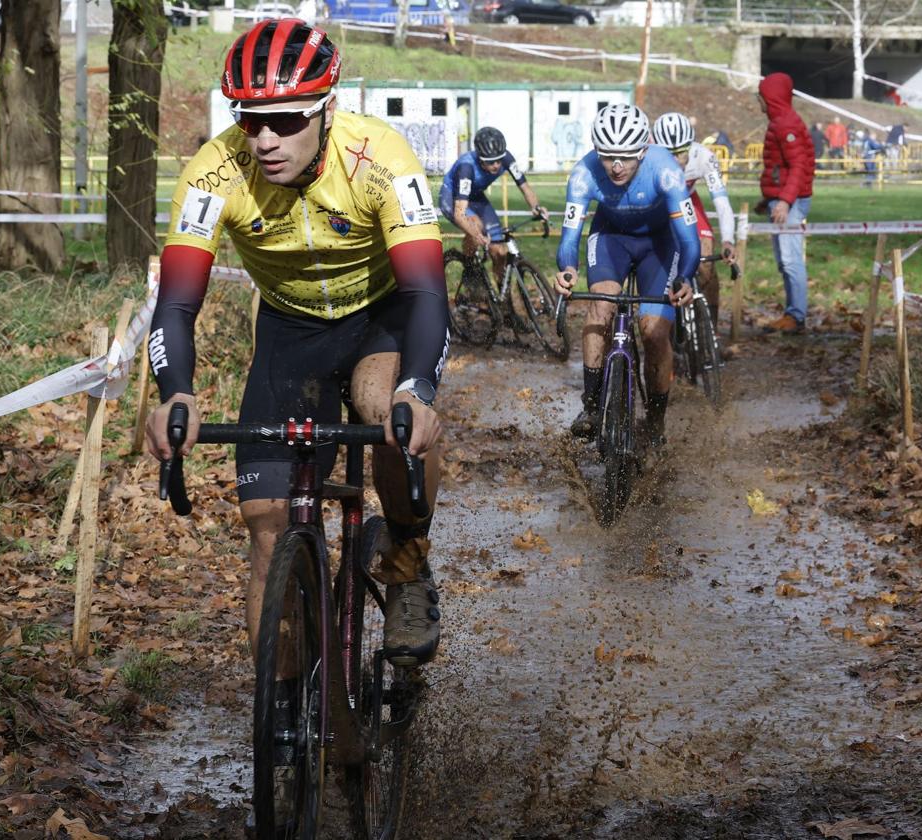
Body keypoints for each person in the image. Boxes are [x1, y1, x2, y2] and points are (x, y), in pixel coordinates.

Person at [146, 19, 449, 740]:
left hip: (383, 317)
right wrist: (175, 392)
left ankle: (407, 559)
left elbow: (427, 294)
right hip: (289, 332)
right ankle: (282, 716)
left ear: (328, 109)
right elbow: (177, 302)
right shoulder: (214, 171)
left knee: (385, 407)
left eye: (285, 120)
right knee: (267, 529)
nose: (265, 139)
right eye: (249, 120)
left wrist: (420, 391)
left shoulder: (381, 157)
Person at [554, 103, 700, 446]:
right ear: (596, 151)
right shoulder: (583, 173)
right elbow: (569, 237)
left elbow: (689, 240)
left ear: (644, 150)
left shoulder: (666, 172)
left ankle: (656, 419)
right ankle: (590, 406)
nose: (616, 166)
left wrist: (687, 276)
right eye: (607, 157)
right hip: (610, 238)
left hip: (659, 243)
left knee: (653, 331)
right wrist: (568, 269)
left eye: (626, 158)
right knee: (600, 307)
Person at [652, 111, 736, 326]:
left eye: (681, 152)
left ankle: (711, 327)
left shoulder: (703, 156)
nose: (676, 159)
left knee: (706, 261)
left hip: (689, 203)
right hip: (659, 206)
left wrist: (728, 240)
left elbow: (721, 201)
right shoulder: (647, 155)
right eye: (668, 153)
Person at [440, 127, 549, 289]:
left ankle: (502, 298)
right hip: (452, 197)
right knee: (476, 226)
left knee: (500, 252)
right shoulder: (466, 167)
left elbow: (525, 187)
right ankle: (469, 269)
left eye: (499, 160)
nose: (497, 165)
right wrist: (477, 235)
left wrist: (537, 207)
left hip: (476, 197)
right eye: (491, 162)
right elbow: (459, 214)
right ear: (480, 158)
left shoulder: (506, 159)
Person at [755, 72, 815, 334]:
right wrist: (768, 199)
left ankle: (797, 316)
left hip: (790, 203)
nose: (758, 101)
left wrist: (784, 201)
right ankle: (792, 313)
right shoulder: (780, 122)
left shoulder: (785, 124)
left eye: (761, 97)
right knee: (784, 261)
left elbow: (799, 166)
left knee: (791, 260)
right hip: (781, 201)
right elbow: (781, 169)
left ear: (772, 98)